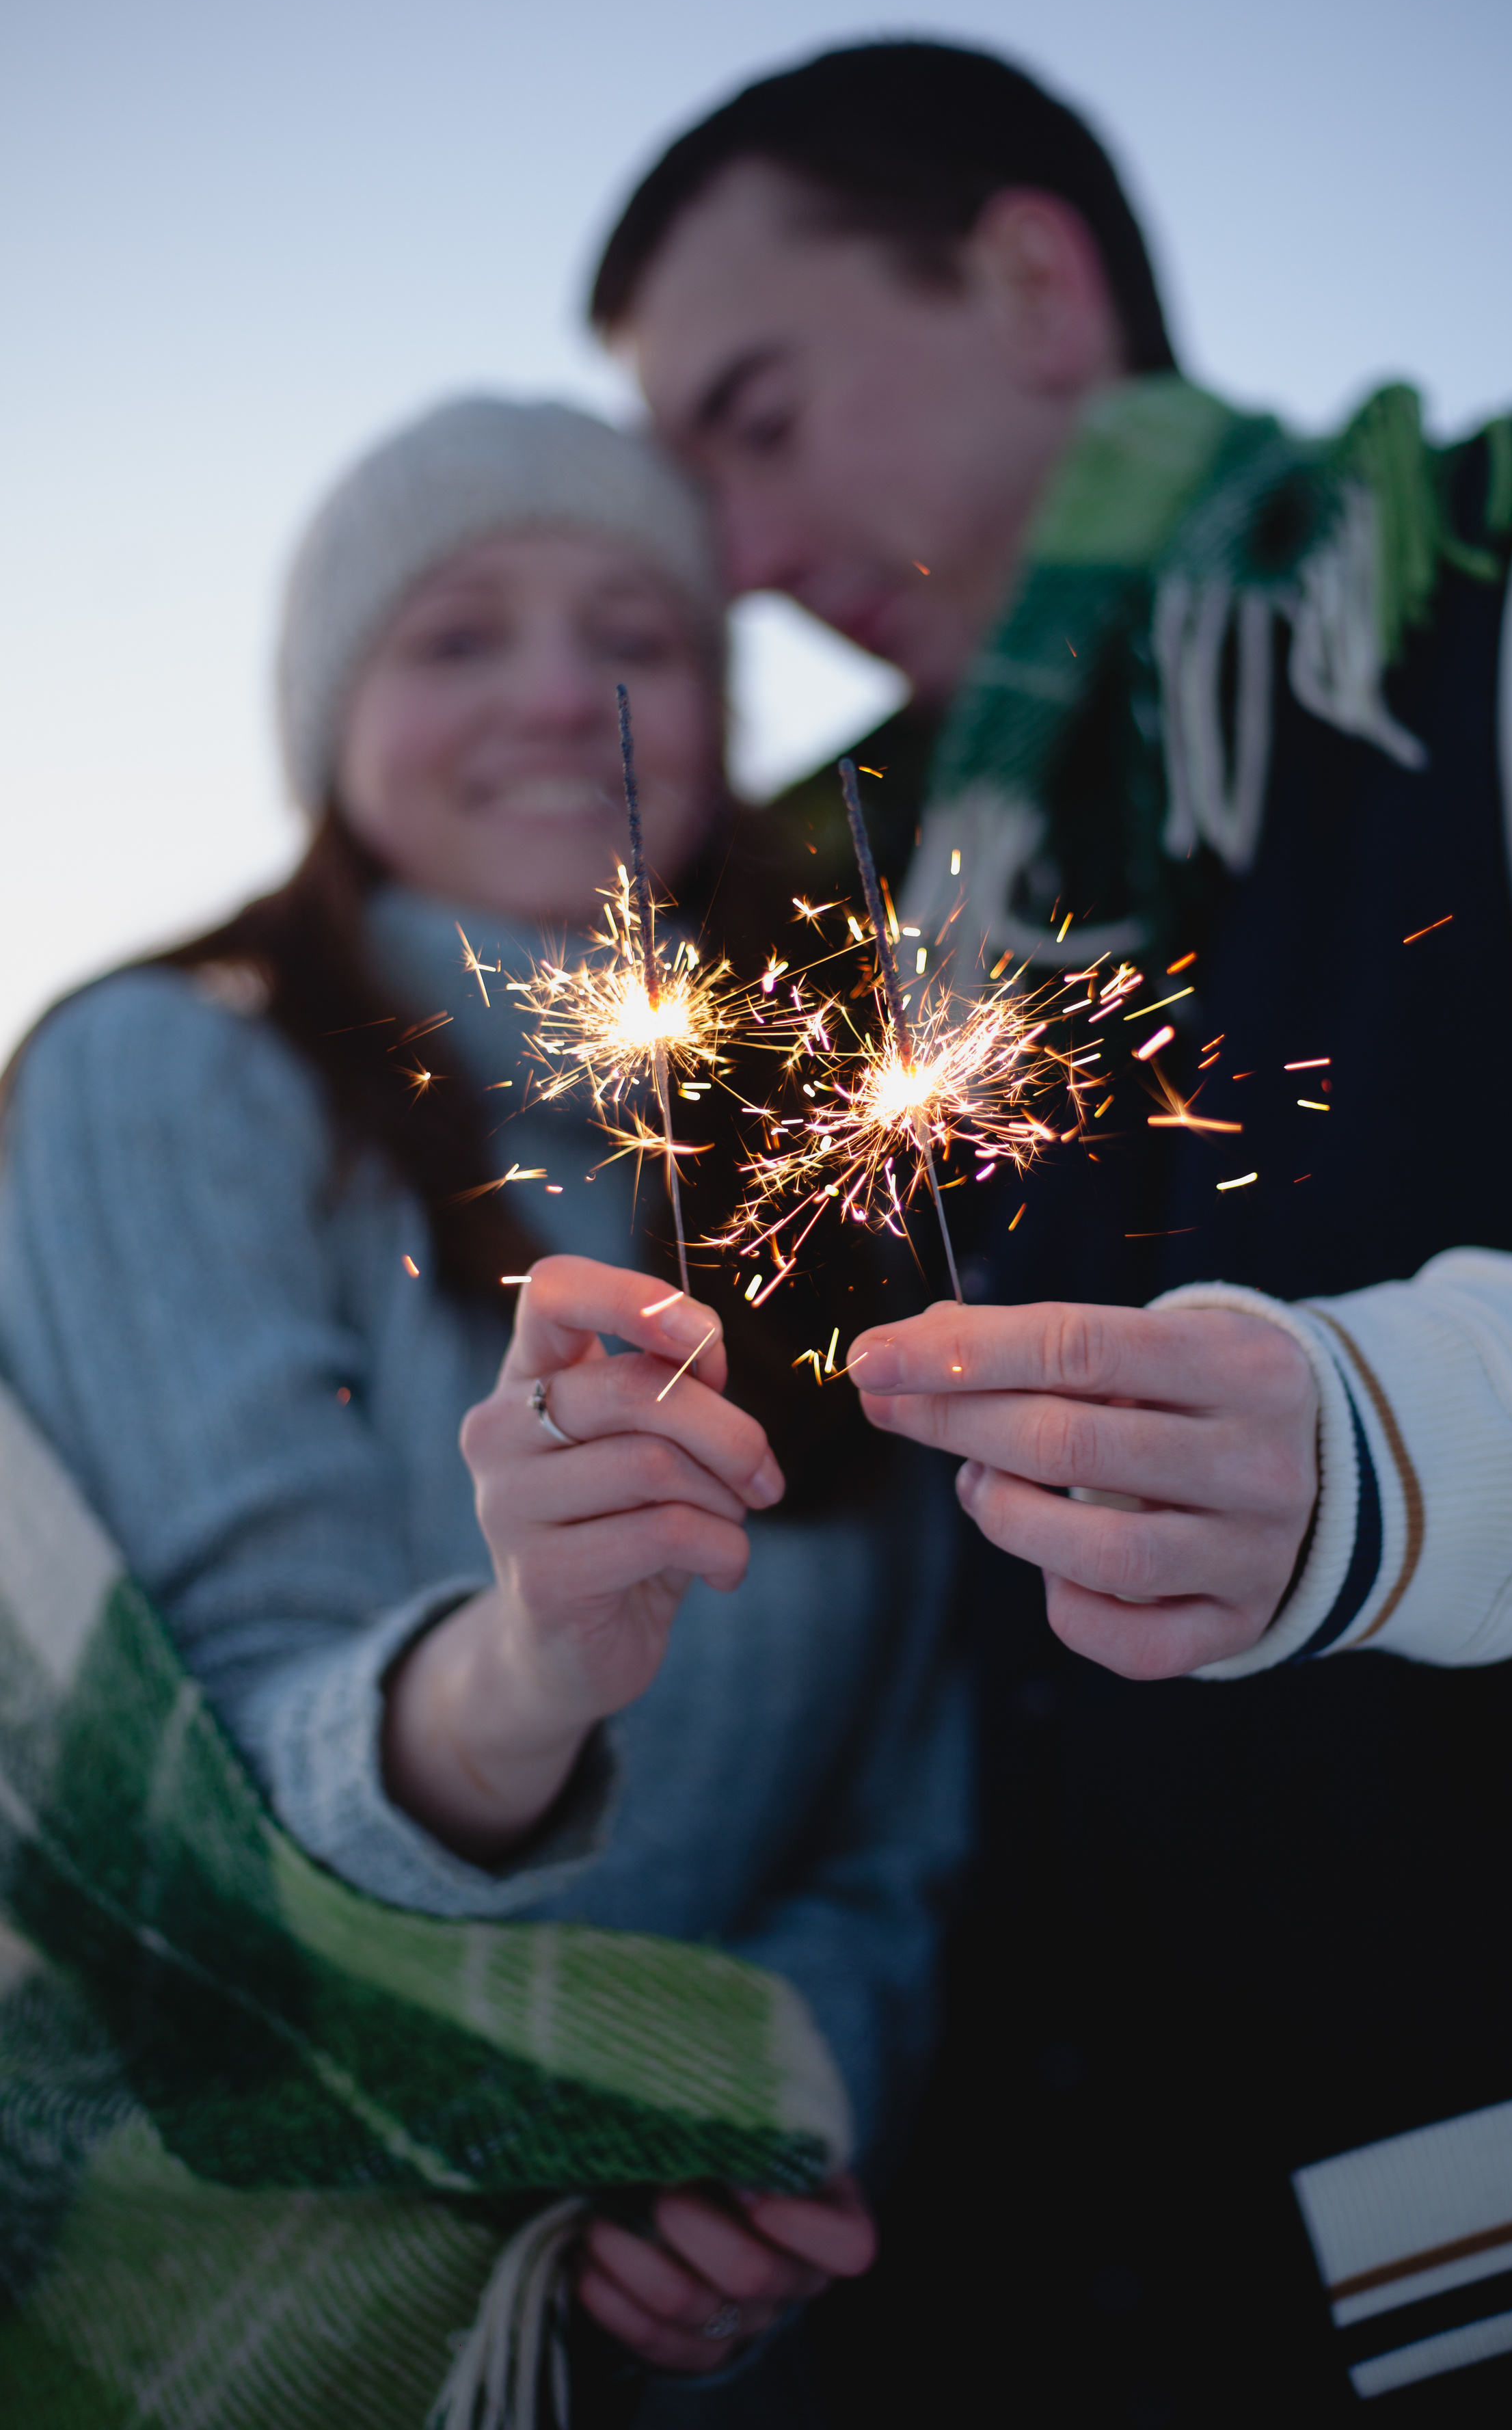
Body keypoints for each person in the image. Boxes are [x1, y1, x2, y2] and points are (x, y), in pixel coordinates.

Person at [584, 42, 1512, 2418]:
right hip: (1079, 2234)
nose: (719, 547)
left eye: (761, 415)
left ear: (1028, 280)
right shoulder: (887, 878)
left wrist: (1375, 1441)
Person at [0, 394, 967, 2420]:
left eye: (639, 632)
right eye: (455, 637)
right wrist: (523, 1667)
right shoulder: (170, 1075)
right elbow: (193, 1773)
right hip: (237, 2262)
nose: (556, 692)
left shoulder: (842, 1154)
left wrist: (753, 2129)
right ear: (331, 721)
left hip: (718, 2318)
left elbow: (909, 1823)